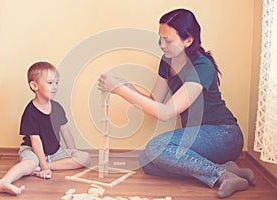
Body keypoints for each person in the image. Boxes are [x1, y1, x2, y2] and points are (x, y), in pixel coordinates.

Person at [98, 8, 255, 198]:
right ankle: (227, 169)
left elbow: (165, 112)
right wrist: (125, 86)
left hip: (223, 134)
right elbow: (154, 102)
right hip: (196, 139)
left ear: (188, 40)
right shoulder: (167, 61)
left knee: (156, 147)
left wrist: (120, 90)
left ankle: (222, 176)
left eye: (168, 40)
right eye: (160, 38)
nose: (162, 45)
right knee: (146, 161)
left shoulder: (201, 66)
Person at [0, 61, 90, 195]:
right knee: (30, 164)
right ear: (34, 86)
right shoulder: (30, 112)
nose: (55, 87)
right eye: (50, 83)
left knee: (84, 157)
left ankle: (42, 167)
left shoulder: (57, 108)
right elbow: (36, 142)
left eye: (57, 83)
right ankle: (4, 181)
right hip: (33, 150)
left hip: (53, 153)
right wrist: (43, 167)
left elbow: (67, 134)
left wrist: (72, 153)